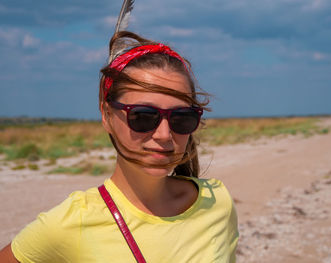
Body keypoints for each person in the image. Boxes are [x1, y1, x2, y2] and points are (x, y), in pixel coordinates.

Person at [0, 31, 239, 262]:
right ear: (107, 115)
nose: (164, 134)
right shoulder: (73, 222)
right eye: (143, 117)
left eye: (181, 118)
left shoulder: (216, 202)